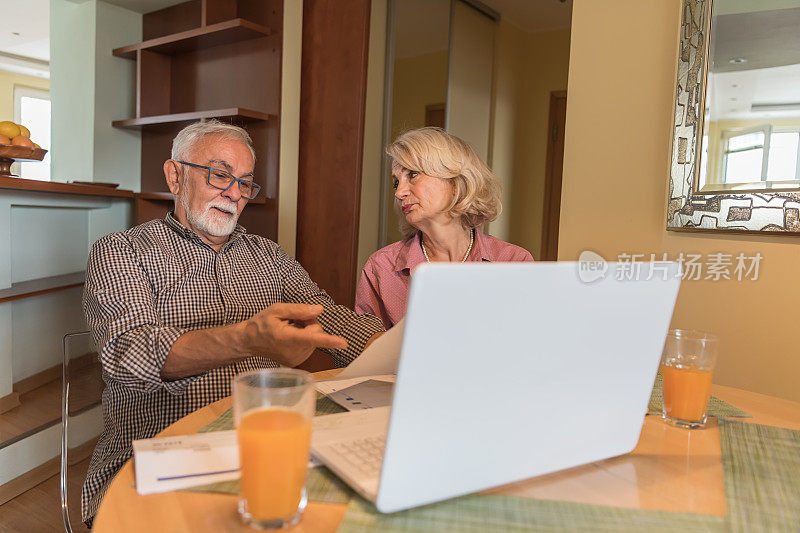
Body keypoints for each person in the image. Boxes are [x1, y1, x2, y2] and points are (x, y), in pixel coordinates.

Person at [80, 120, 384, 524]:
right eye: (220, 175)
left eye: (245, 183)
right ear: (175, 175)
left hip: (264, 448)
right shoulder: (122, 251)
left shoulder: (269, 255)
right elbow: (129, 354)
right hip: (158, 450)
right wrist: (248, 338)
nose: (234, 193)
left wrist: (402, 344)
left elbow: (329, 317)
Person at [355, 127, 533, 329]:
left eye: (413, 174)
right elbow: (367, 353)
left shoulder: (514, 262)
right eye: (396, 183)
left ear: (455, 182)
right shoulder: (381, 268)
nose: (399, 193)